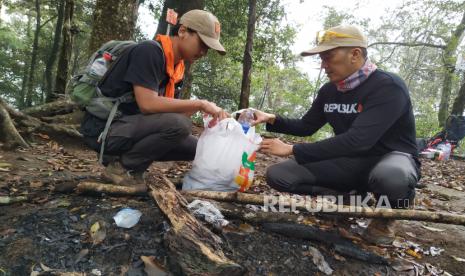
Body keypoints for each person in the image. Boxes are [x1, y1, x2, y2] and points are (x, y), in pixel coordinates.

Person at [252, 25, 420, 245]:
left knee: (391, 177)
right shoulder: (330, 90)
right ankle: (348, 199)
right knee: (279, 174)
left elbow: (358, 140)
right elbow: (306, 126)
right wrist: (271, 118)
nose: (323, 66)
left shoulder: (388, 87)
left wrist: (292, 149)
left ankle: (388, 215)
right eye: (321, 59)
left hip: (390, 157)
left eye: (328, 57)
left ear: (355, 54)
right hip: (351, 161)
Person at [80, 10, 228, 186]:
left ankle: (131, 165)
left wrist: (206, 118)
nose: (204, 52)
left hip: (128, 127)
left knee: (197, 147)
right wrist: (200, 103)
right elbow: (148, 104)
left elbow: (168, 115)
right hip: (102, 130)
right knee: (180, 125)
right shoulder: (149, 52)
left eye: (208, 48)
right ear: (182, 31)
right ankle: (121, 168)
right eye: (202, 43)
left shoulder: (176, 69)